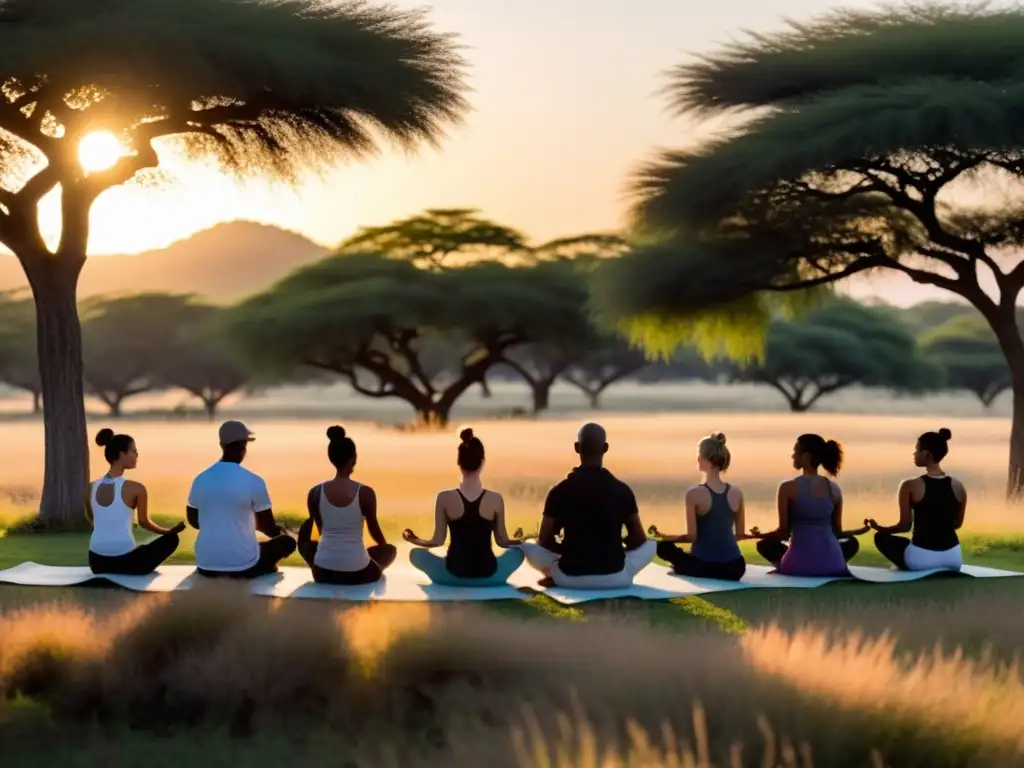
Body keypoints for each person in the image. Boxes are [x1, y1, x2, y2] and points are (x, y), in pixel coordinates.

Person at [520, 423, 657, 588]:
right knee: (651, 546)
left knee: (528, 546)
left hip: (569, 577)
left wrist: (567, 550)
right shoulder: (622, 490)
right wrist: (615, 548)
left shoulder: (559, 490)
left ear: (577, 448)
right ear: (605, 448)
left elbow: (543, 540)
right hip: (616, 577)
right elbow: (639, 540)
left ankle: (553, 575)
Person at [404, 428, 526, 586]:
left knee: (416, 554)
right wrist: (520, 539)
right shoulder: (495, 499)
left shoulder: (444, 497)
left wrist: (415, 540)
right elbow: (503, 542)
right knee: (518, 552)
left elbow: (437, 541)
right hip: (489, 574)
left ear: (458, 463)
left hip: (452, 574)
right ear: (482, 462)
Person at [186, 420, 296, 579]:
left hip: (205, 565)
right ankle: (265, 567)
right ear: (243, 445)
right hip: (243, 568)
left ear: (221, 444)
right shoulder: (254, 480)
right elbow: (267, 527)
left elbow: (194, 521)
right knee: (287, 543)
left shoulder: (200, 479)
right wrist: (281, 531)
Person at [750, 434, 867, 577]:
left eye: (795, 452)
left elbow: (783, 532)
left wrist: (758, 535)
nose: (792, 456)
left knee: (764, 544)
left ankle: (807, 560)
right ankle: (824, 561)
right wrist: (858, 531)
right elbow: (837, 532)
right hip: (834, 563)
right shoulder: (834, 489)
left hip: (797, 565)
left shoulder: (787, 488)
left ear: (806, 457)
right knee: (851, 542)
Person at [297, 425, 397, 585]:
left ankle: (328, 561)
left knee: (311, 546)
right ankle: (360, 558)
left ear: (331, 458)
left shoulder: (315, 492)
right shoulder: (365, 493)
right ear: (353, 458)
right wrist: (383, 548)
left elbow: (321, 529)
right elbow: (374, 530)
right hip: (359, 574)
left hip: (323, 572)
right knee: (390, 551)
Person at [649, 433, 747, 581]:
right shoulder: (737, 493)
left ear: (707, 461)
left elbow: (691, 537)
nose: (697, 458)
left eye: (699, 455)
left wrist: (665, 537)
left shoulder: (693, 494)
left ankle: (687, 566)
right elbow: (740, 534)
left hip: (703, 565)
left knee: (661, 547)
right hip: (736, 567)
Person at [88, 428, 185, 575]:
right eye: (133, 451)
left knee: (140, 549)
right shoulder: (137, 488)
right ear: (121, 455)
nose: (137, 455)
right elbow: (143, 522)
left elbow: (93, 520)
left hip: (96, 562)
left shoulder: (90, 488)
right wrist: (167, 532)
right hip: (128, 562)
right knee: (171, 540)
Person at [867, 428, 966, 571]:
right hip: (953, 559)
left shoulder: (909, 486)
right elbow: (957, 524)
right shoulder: (959, 486)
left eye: (917, 450)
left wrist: (879, 528)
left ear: (927, 455)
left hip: (921, 560)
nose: (914, 454)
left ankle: (910, 561)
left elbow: (904, 526)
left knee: (881, 538)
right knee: (907, 543)